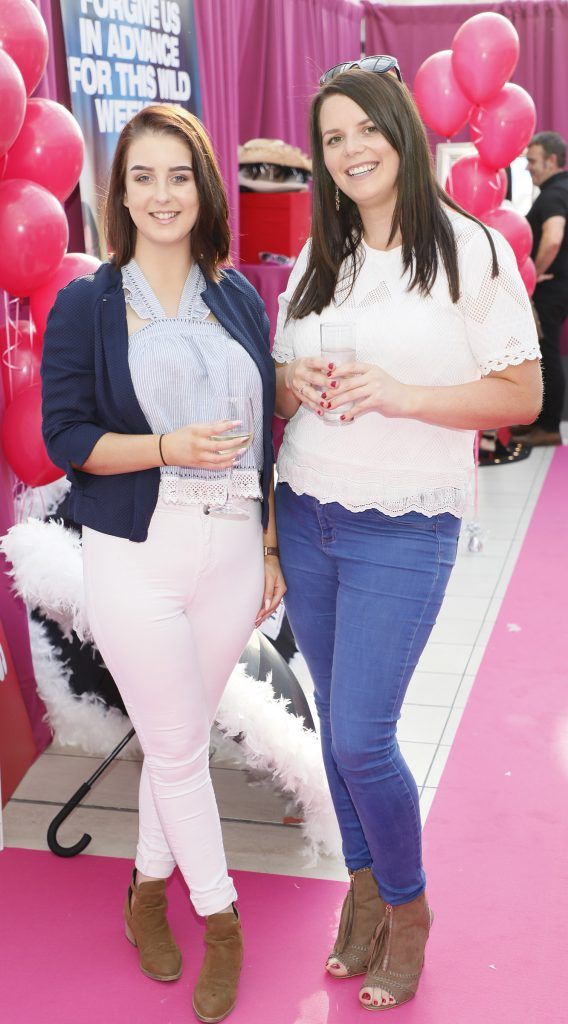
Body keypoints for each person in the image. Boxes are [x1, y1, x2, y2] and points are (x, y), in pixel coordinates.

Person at [272, 59, 542, 1012]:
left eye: (364, 129)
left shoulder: (471, 251)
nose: (350, 150)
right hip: (307, 507)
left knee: (361, 735)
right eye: (332, 137)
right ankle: (361, 887)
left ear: (402, 130)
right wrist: (291, 386)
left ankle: (409, 905)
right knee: (336, 720)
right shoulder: (321, 255)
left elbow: (524, 393)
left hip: (407, 522)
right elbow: (280, 375)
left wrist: (405, 395)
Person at [41, 104, 285, 1024]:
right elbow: (65, 437)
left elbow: (266, 431)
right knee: (181, 749)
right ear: (119, 194)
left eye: (178, 174)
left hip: (229, 553)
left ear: (203, 186)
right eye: (141, 177)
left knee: (172, 739)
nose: (161, 194)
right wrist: (165, 447)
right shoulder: (86, 302)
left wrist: (266, 541)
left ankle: (146, 889)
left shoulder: (239, 298)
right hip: (134, 553)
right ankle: (221, 921)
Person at [514, 131, 568, 446]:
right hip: (559, 287)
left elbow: (554, 237)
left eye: (532, 161)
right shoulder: (560, 190)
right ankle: (541, 423)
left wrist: (536, 274)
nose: (528, 168)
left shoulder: (552, 194)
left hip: (552, 289)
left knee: (545, 355)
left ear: (550, 160)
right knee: (545, 354)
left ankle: (547, 428)